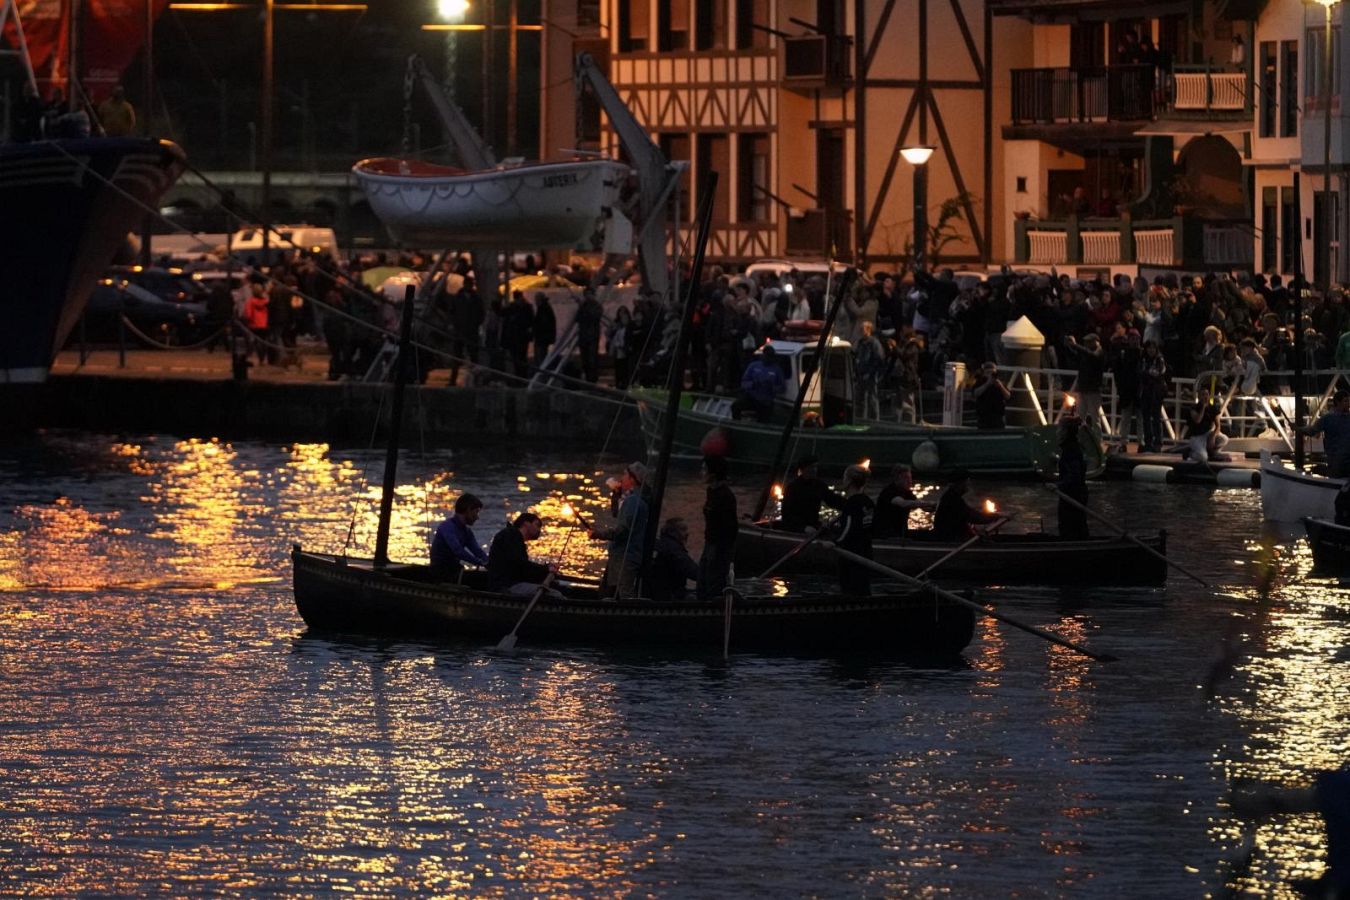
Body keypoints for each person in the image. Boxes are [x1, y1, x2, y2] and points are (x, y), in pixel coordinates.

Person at [589, 461, 649, 598]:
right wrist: (616, 495)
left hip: (625, 557)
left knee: (623, 594)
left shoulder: (633, 501)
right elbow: (618, 514)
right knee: (610, 591)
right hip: (620, 556)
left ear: (633, 479)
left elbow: (623, 530)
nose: (622, 479)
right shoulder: (631, 499)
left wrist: (599, 534)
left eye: (625, 475)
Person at [487, 512, 560, 596]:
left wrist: (544, 572)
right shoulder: (510, 536)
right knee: (555, 595)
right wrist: (546, 569)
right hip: (506, 586)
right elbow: (519, 564)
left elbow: (522, 568)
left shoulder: (515, 538)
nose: (539, 530)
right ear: (526, 523)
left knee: (554, 586)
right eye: (537, 525)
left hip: (511, 582)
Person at [697, 455, 738, 601]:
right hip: (710, 542)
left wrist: (721, 548)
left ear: (713, 473)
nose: (701, 473)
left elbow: (729, 526)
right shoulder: (711, 492)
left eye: (704, 469)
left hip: (719, 545)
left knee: (713, 579)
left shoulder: (725, 496)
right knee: (702, 577)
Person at [833, 464, 875, 596]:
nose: (843, 480)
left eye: (844, 478)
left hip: (851, 554)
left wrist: (834, 542)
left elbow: (848, 528)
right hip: (866, 552)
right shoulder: (868, 502)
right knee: (863, 588)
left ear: (849, 481)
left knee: (849, 590)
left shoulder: (851, 503)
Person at [430, 493, 489, 579]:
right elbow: (458, 551)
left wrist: (489, 563)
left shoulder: (467, 532)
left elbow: (477, 551)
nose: (477, 517)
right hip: (439, 571)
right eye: (476, 512)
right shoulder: (447, 527)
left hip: (454, 569)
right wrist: (479, 562)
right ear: (468, 510)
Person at [931, 469, 1002, 541]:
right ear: (959, 484)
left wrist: (994, 516)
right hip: (950, 539)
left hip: (952, 536)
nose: (969, 484)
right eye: (967, 481)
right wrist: (996, 516)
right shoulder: (952, 500)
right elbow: (973, 517)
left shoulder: (952, 497)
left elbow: (971, 513)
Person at [779, 456, 845, 532]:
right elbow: (787, 513)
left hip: (813, 524)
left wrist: (849, 504)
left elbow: (832, 500)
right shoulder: (792, 487)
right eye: (811, 467)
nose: (814, 470)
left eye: (815, 467)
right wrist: (803, 528)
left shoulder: (819, 485)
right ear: (803, 469)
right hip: (796, 527)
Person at [873, 465, 934, 540]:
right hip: (885, 534)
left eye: (910, 478)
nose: (910, 481)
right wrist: (929, 503)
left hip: (900, 532)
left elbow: (919, 503)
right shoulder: (889, 492)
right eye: (906, 478)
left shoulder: (907, 492)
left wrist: (931, 507)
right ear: (897, 479)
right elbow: (903, 503)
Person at [1301, 389, 1350, 477]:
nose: (1348, 404)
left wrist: (1298, 429)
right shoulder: (1328, 418)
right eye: (1346, 401)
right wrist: (1298, 429)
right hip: (1336, 461)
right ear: (1338, 402)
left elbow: (1312, 431)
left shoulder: (1329, 418)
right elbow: (1312, 431)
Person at [731, 344, 786, 422]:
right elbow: (744, 382)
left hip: (766, 401)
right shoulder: (753, 366)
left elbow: (782, 388)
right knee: (735, 406)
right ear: (763, 355)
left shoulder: (777, 370)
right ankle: (736, 423)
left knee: (765, 418)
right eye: (766, 355)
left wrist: (772, 387)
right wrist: (753, 384)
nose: (768, 358)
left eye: (770, 356)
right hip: (751, 397)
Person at [649, 518, 700, 602]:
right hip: (669, 596)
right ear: (672, 532)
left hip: (662, 593)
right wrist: (704, 577)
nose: (687, 533)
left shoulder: (664, 545)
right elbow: (688, 567)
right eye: (683, 529)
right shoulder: (673, 549)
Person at [1057, 416, 1090, 539]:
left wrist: (1058, 486)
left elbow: (1074, 475)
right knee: (1078, 526)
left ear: (1066, 431)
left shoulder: (1071, 450)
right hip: (1076, 494)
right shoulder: (1073, 447)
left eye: (1059, 429)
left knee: (1071, 526)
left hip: (1072, 496)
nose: (1057, 432)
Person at [1184, 387, 1230, 464]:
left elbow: (1218, 425)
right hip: (1197, 436)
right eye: (1203, 395)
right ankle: (1189, 453)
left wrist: (1213, 436)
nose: (1205, 397)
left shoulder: (1213, 407)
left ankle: (1213, 452)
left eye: (1207, 394)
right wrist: (1203, 408)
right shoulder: (1194, 408)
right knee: (1203, 458)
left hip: (1208, 433)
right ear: (1199, 397)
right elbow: (1197, 420)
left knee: (1224, 439)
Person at [972, 361, 1011, 429]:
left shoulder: (999, 383)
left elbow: (1008, 396)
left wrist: (1001, 386)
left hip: (998, 417)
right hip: (984, 417)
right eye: (988, 372)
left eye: (992, 373)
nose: (990, 375)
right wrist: (987, 384)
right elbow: (975, 393)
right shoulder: (980, 382)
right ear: (984, 373)